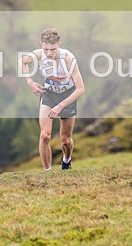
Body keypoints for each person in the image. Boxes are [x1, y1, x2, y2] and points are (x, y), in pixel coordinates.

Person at [20, 28, 85, 170]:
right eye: (45, 49)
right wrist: (30, 82)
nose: (49, 53)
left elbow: (80, 89)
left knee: (65, 141)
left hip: (68, 96)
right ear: (41, 44)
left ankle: (66, 159)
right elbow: (22, 62)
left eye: (53, 49)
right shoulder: (38, 55)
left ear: (59, 45)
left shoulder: (68, 58)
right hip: (49, 94)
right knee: (45, 136)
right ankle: (48, 172)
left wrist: (61, 106)